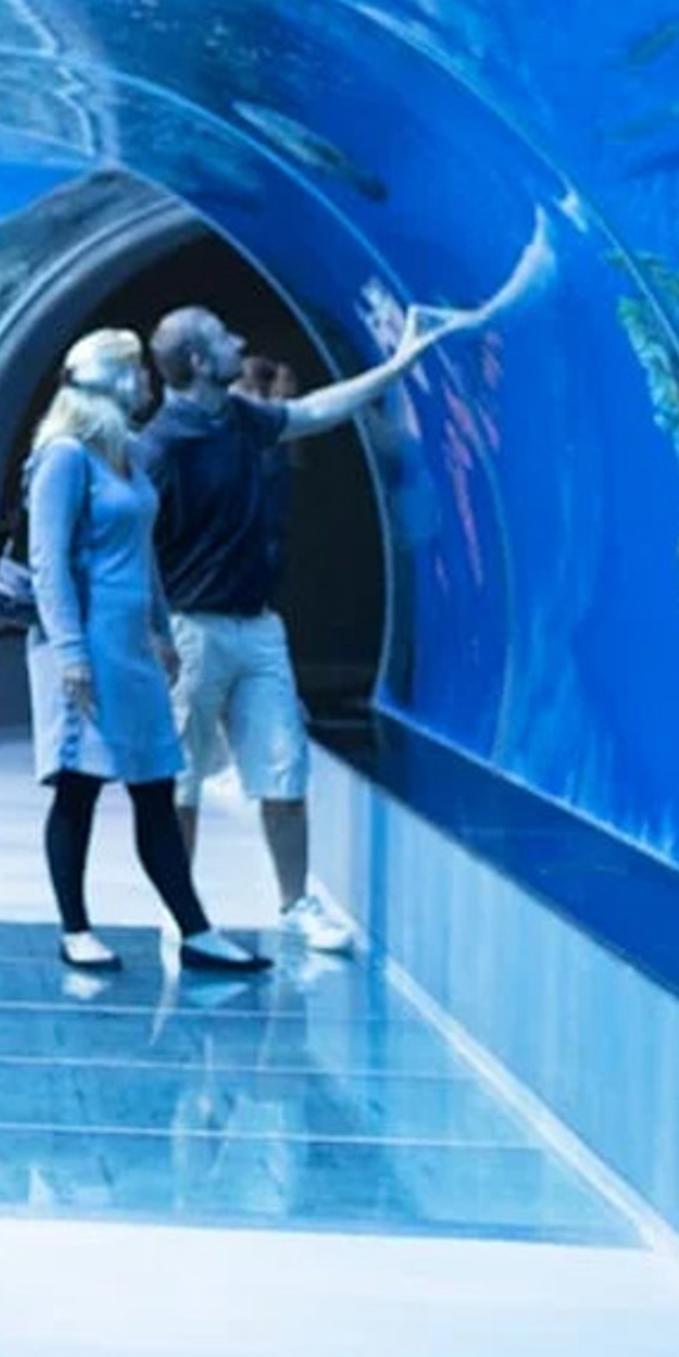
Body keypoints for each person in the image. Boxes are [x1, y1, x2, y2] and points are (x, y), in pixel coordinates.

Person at [144, 298, 488, 954]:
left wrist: (399, 362)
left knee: (284, 767)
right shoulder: (160, 447)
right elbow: (135, 549)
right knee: (182, 781)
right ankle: (180, 909)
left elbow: (318, 410)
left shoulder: (242, 419)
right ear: (195, 361)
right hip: (190, 631)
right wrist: (152, 634)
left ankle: (296, 903)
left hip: (259, 627)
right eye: (221, 333)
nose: (238, 337)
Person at [20, 329, 264, 976]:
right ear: (107, 377)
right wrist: (70, 651)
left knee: (156, 784)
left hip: (130, 646)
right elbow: (48, 564)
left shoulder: (123, 453)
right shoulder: (64, 456)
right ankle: (74, 927)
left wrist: (160, 625)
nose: (147, 383)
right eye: (134, 371)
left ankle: (195, 928)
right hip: (83, 645)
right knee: (78, 787)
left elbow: (144, 553)